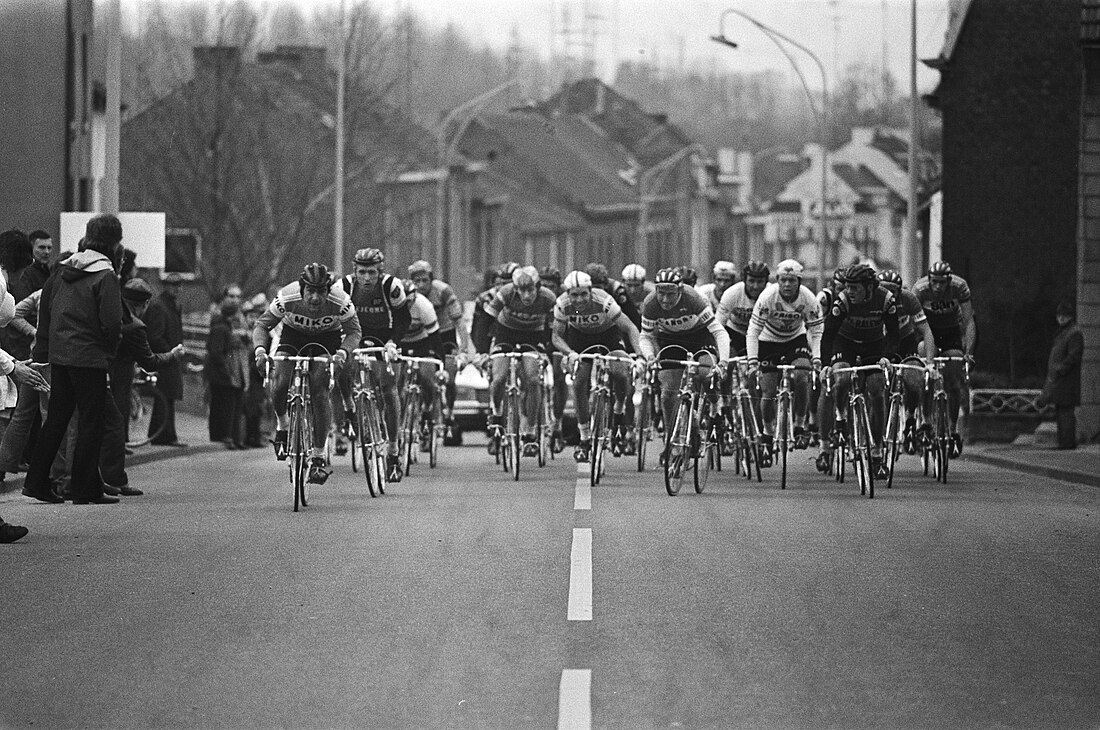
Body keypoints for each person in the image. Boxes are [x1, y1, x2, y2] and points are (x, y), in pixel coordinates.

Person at [22, 213, 123, 505]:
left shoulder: (61, 271)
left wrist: (43, 351)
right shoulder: (105, 275)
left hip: (60, 356)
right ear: (114, 242)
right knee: (92, 422)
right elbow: (112, 323)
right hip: (89, 357)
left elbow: (46, 313)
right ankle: (83, 488)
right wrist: (109, 351)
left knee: (56, 419)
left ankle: (36, 481)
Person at [253, 263, 361, 485]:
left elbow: (354, 332)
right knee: (280, 382)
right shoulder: (287, 296)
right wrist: (260, 351)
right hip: (293, 336)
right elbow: (262, 325)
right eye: (310, 291)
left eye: (320, 292)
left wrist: (342, 353)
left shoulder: (340, 301)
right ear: (302, 289)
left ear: (328, 291)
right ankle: (283, 425)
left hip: (327, 339)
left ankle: (319, 455)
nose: (314, 298)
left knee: (320, 391)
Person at [102, 277, 185, 495]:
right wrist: (173, 355)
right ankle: (114, 479)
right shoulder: (134, 326)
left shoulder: (109, 313)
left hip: (95, 373)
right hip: (117, 380)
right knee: (116, 427)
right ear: (144, 305)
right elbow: (150, 361)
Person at [551, 270, 642, 463]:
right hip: (580, 339)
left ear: (591, 291)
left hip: (608, 335)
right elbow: (557, 337)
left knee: (620, 373)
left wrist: (640, 355)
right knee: (579, 384)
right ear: (568, 294)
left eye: (584, 294)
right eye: (574, 295)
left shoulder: (604, 300)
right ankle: (584, 439)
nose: (579, 299)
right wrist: (570, 353)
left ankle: (618, 411)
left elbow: (630, 327)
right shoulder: (562, 304)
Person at [336, 247, 409, 481]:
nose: (366, 278)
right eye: (362, 272)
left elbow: (403, 319)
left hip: (384, 335)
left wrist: (392, 343)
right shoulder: (343, 287)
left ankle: (394, 451)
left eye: (372, 273)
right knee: (341, 367)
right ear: (354, 271)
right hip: (354, 333)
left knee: (389, 388)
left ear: (380, 271)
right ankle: (349, 404)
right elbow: (335, 317)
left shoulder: (392, 286)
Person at [820, 263, 900, 478]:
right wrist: (826, 364)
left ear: (868, 287)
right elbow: (828, 335)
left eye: (855, 287)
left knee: (877, 389)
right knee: (842, 377)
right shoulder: (843, 300)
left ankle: (876, 450)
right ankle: (840, 418)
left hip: (873, 345)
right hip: (844, 343)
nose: (850, 291)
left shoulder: (885, 299)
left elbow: (894, 333)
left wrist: (888, 357)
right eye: (847, 286)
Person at [638, 267, 730, 450]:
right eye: (661, 293)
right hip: (671, 339)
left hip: (699, 336)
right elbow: (645, 336)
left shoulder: (695, 299)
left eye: (670, 294)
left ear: (680, 290)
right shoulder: (650, 304)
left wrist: (723, 362)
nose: (664, 299)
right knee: (667, 394)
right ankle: (670, 442)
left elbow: (719, 332)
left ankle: (715, 407)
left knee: (706, 374)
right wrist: (649, 357)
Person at [745, 259, 823, 462]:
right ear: (777, 280)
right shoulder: (767, 297)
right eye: (783, 280)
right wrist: (753, 361)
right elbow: (753, 332)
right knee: (768, 391)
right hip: (768, 341)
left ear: (799, 281)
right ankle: (768, 433)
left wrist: (816, 358)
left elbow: (816, 332)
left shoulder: (808, 299)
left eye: (792, 281)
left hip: (794, 339)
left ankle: (799, 425)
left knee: (802, 375)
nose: (787, 285)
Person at [476, 265, 558, 456]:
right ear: (515, 288)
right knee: (499, 378)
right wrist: (481, 351)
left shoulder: (548, 298)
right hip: (506, 334)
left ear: (538, 287)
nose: (527, 295)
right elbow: (485, 321)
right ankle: (496, 413)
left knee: (532, 379)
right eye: (522, 290)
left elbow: (555, 330)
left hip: (534, 336)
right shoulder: (505, 293)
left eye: (530, 290)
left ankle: (529, 431)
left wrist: (547, 350)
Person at [911, 260, 977, 455]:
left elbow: (968, 321)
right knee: (926, 364)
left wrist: (969, 353)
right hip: (927, 330)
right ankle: (926, 421)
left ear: (948, 281)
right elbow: (914, 323)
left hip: (950, 332)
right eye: (934, 282)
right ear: (929, 280)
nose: (938, 287)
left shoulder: (959, 286)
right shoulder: (920, 289)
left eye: (942, 282)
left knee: (953, 380)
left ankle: (953, 429)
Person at [407, 260, 467, 441]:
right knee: (425, 377)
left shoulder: (443, 291)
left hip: (444, 334)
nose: (421, 285)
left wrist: (463, 349)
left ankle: (448, 413)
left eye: (425, 280)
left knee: (448, 377)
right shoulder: (408, 292)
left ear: (431, 279)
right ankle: (423, 412)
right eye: (416, 281)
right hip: (422, 336)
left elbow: (459, 322)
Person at [144, 271, 187, 446]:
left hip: (170, 356)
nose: (176, 289)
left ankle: (165, 434)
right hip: (165, 358)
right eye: (172, 285)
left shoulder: (172, 305)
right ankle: (162, 435)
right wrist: (170, 353)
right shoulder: (159, 306)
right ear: (166, 286)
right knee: (165, 396)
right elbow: (155, 336)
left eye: (178, 285)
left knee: (168, 397)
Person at [205, 284, 250, 449]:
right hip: (227, 367)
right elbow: (218, 346)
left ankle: (235, 437)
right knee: (223, 404)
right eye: (232, 296)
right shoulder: (220, 319)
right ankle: (225, 435)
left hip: (238, 366)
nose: (235, 300)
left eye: (238, 297)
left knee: (235, 405)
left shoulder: (241, 317)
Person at [1038, 299, 1084, 450]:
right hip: (1061, 380)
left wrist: (1060, 369)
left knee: (1066, 411)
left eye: (1065, 315)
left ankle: (1067, 443)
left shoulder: (1074, 333)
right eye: (1060, 315)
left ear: (1070, 316)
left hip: (1066, 380)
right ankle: (1063, 442)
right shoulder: (1064, 332)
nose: (1061, 318)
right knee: (1061, 410)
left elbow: (1074, 356)